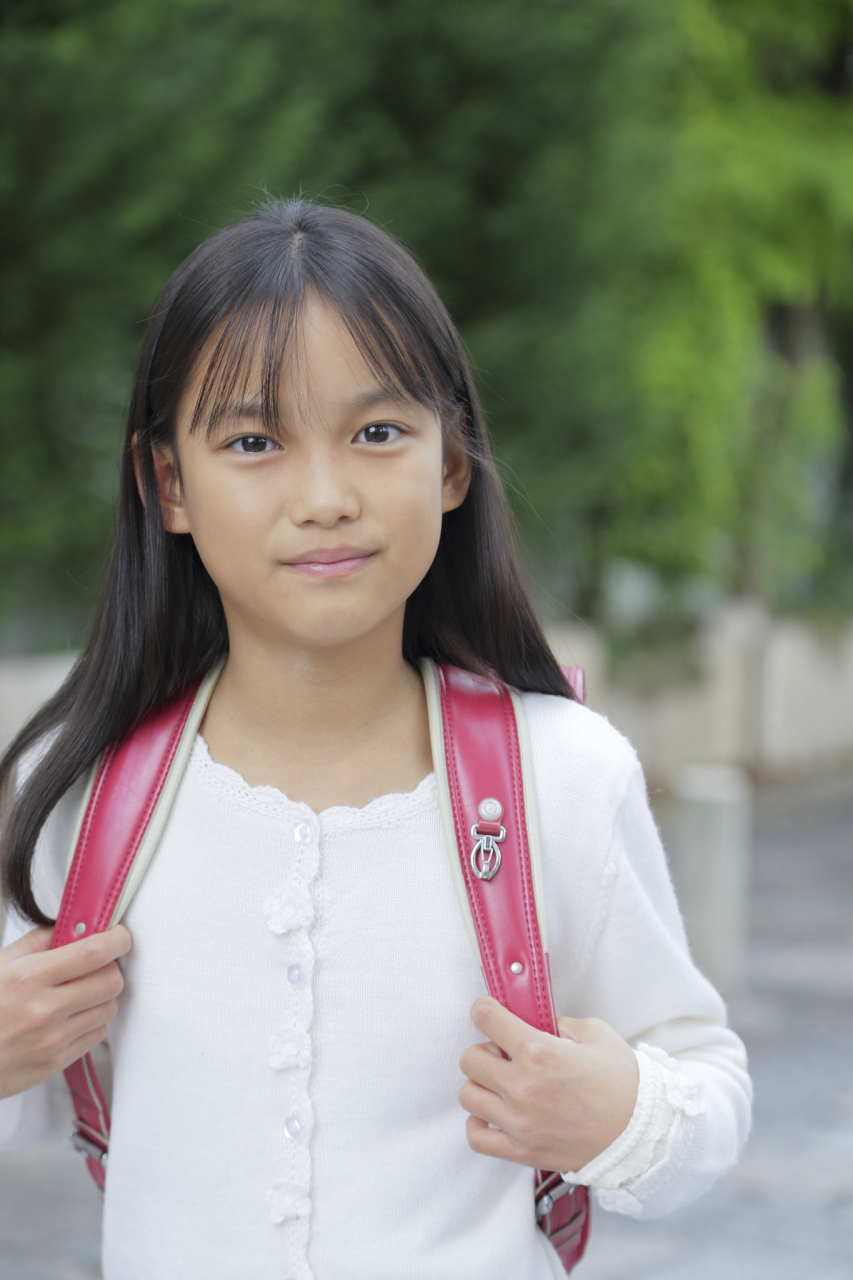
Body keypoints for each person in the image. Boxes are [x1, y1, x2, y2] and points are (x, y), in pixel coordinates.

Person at [0, 199, 751, 1279]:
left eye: (377, 432)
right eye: (254, 441)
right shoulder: (75, 789)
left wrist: (620, 1110)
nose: (324, 496)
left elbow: (705, 1078)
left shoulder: (561, 778)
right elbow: (34, 1104)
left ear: (451, 465)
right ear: (167, 483)